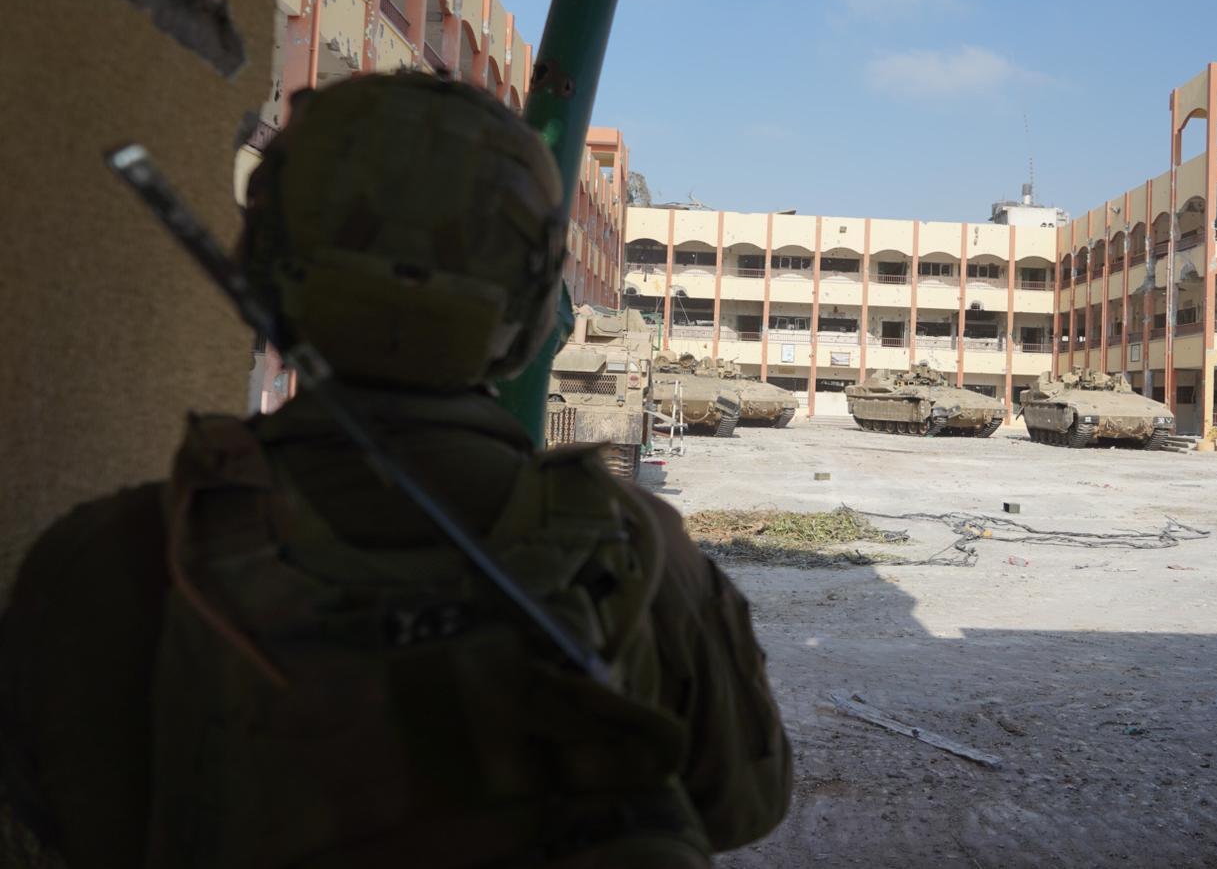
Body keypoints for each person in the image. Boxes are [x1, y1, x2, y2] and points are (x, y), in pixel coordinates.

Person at [0, 72, 791, 868]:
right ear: (529, 317)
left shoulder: (107, 558)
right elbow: (742, 805)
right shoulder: (642, 553)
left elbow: (58, 818)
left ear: (259, 270)